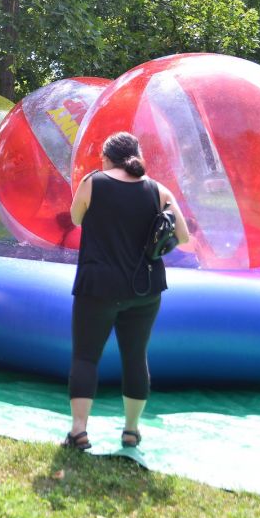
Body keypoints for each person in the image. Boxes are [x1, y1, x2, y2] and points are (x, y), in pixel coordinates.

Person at [63, 132, 189, 450]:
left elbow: (76, 218)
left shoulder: (93, 183)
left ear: (106, 158)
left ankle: (79, 431)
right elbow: (183, 236)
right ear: (137, 156)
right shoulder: (158, 190)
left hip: (98, 286)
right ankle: (131, 431)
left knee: (85, 357)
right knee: (135, 357)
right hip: (145, 287)